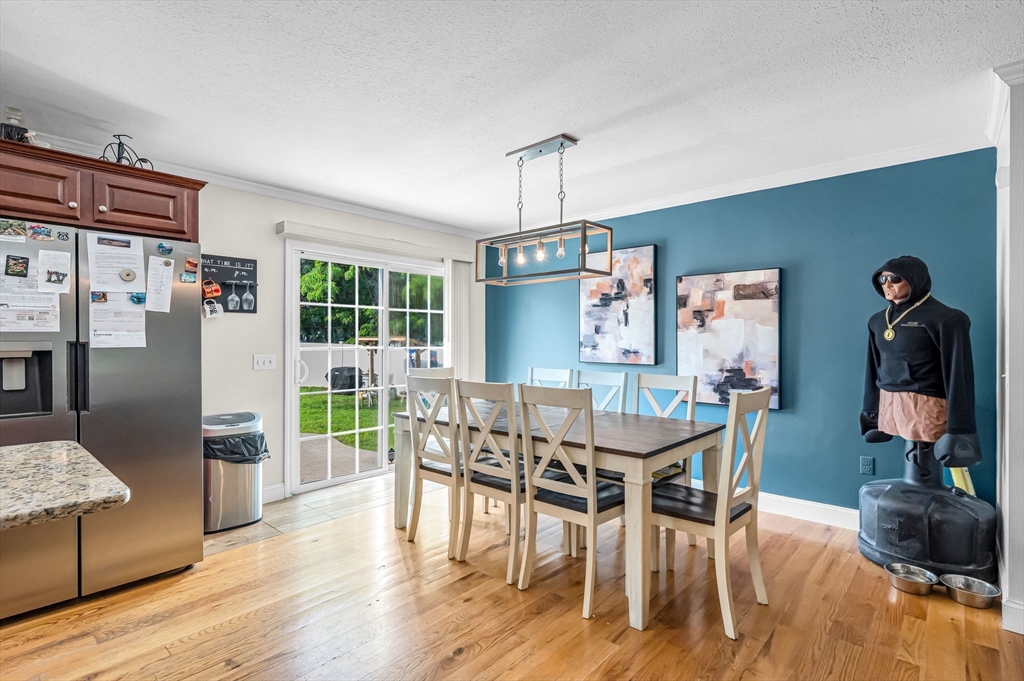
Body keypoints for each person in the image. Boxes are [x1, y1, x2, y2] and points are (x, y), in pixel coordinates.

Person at [861, 255, 981, 468]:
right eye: (882, 279)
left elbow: (959, 374)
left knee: (926, 454)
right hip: (888, 400)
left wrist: (960, 430)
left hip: (927, 403)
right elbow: (873, 369)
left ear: (914, 279)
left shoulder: (947, 318)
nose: (887, 285)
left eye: (895, 278)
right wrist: (871, 414)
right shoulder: (877, 321)